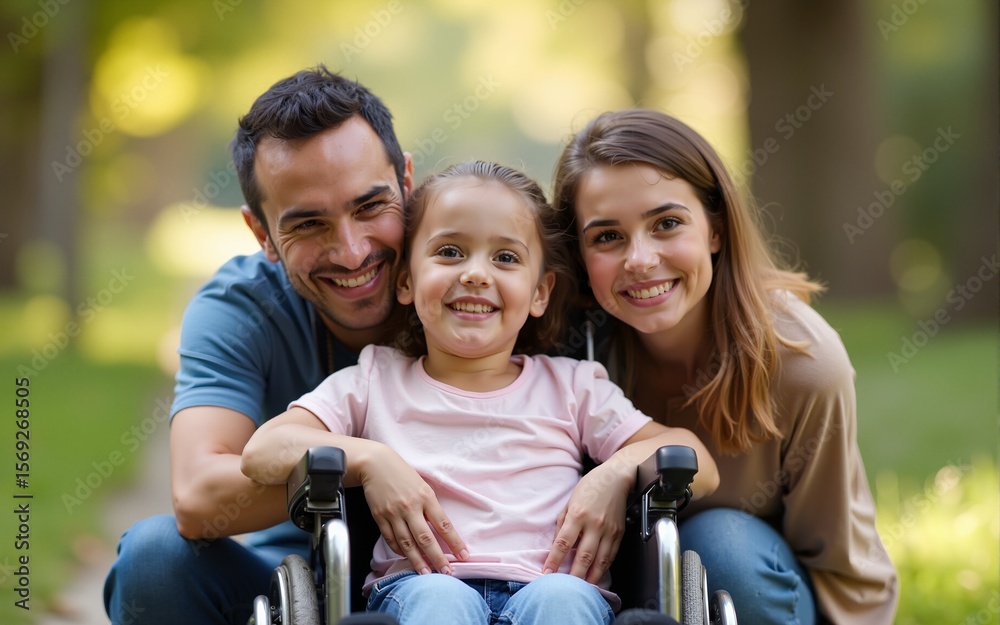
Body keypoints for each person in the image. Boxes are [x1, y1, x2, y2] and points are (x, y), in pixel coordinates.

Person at [240, 160, 720, 625]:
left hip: (553, 585)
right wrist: (369, 460)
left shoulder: (573, 385)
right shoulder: (374, 379)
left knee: (563, 601)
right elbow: (262, 452)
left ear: (539, 293)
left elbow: (699, 463)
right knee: (440, 600)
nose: (475, 273)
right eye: (449, 252)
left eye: (506, 258)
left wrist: (616, 471)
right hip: (420, 587)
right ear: (406, 280)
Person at [551, 109, 899, 625]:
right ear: (579, 254)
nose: (640, 260)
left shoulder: (804, 365)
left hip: (760, 591)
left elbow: (843, 568)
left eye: (666, 224)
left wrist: (623, 465)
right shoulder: (564, 348)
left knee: (719, 547)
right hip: (614, 595)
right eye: (607, 237)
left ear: (714, 228)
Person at [103, 65, 415, 624]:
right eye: (309, 224)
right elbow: (198, 497)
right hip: (293, 577)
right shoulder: (238, 306)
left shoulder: (477, 277)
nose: (350, 251)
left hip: (481, 570)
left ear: (407, 184)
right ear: (261, 235)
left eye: (370, 207)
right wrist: (367, 462)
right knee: (155, 560)